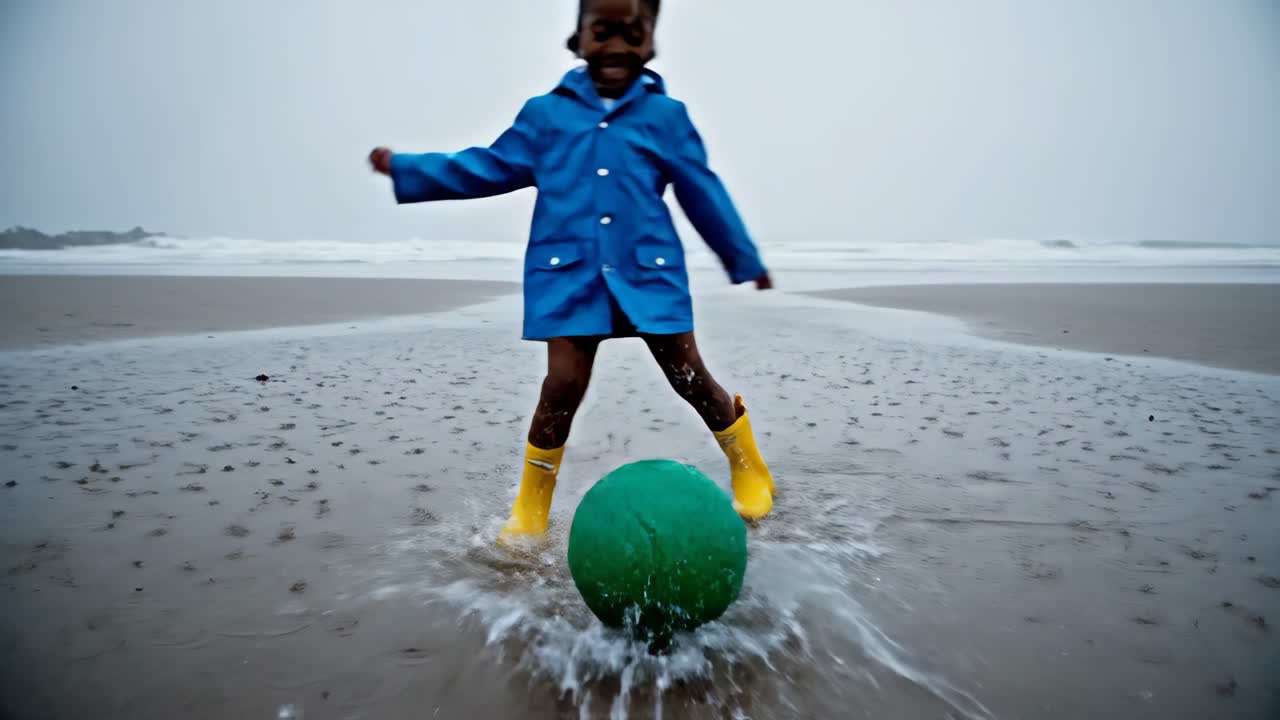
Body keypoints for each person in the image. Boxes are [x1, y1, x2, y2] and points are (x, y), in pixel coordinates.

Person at [369, 0, 775, 537]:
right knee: (561, 386)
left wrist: (742, 258)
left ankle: (748, 465)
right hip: (568, 275)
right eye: (601, 32)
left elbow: (702, 190)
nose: (615, 47)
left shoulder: (666, 117)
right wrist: (408, 168)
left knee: (690, 377)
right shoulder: (545, 114)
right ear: (578, 40)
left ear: (650, 43)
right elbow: (486, 167)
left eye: (632, 35)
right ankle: (531, 506)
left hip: (647, 274)